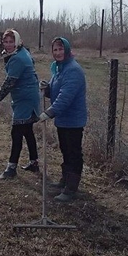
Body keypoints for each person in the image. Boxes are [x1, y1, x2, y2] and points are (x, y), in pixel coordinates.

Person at [38, 37, 87, 202]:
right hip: (63, 120)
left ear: (67, 50)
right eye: (55, 50)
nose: (58, 53)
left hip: (73, 120)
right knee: (65, 151)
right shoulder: (59, 69)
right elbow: (56, 92)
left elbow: (66, 97)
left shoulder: (73, 70)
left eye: (60, 49)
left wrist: (49, 112)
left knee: (73, 153)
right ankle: (65, 181)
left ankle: (71, 188)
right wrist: (47, 89)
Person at [0, 29, 41, 180]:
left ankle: (11, 168)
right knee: (27, 131)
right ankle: (34, 162)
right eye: (6, 41)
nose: (9, 44)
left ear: (17, 41)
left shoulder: (18, 58)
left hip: (26, 99)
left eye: (12, 41)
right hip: (27, 97)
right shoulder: (22, 52)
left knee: (16, 132)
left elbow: (9, 83)